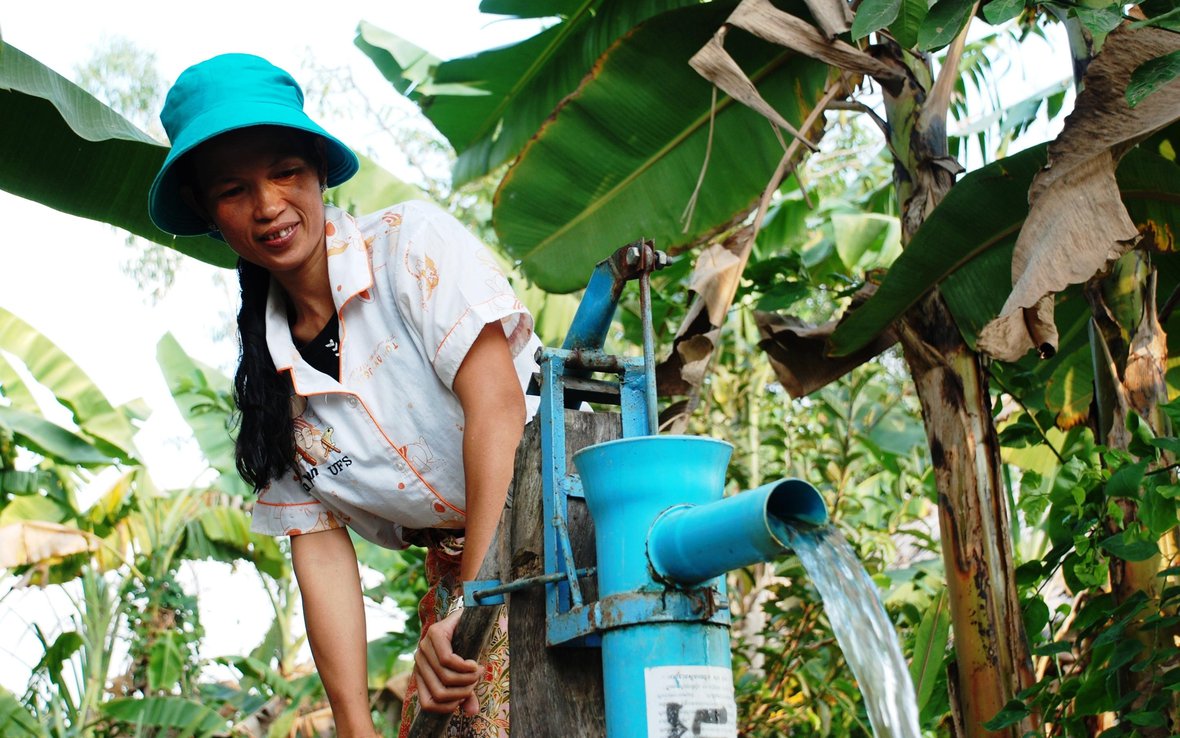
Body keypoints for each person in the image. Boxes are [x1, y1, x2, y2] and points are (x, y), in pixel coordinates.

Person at [148, 53, 537, 738]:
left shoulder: (410, 247)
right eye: (234, 191)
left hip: (558, 527)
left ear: (320, 171)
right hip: (460, 580)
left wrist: (472, 610)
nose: (269, 206)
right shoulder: (268, 389)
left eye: (286, 173)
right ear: (206, 212)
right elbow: (320, 554)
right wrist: (357, 730)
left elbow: (499, 409)